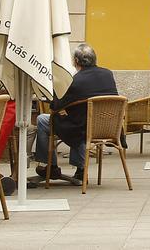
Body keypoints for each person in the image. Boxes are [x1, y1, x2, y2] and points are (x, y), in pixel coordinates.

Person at [32, 43, 118, 185]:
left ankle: (51, 166)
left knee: (42, 119)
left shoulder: (74, 80)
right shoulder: (108, 74)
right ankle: (80, 170)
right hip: (106, 127)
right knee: (78, 120)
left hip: (80, 127)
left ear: (76, 61)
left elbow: (56, 105)